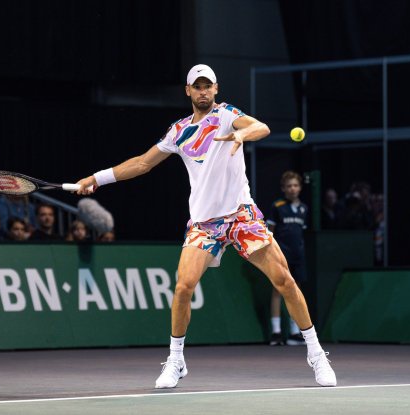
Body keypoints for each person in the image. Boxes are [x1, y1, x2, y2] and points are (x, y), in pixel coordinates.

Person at [75, 64, 336, 388]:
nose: (203, 91)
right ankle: (176, 360)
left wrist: (241, 134)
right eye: (197, 86)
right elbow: (142, 163)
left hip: (241, 216)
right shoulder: (179, 131)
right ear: (188, 91)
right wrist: (96, 179)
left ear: (216, 88)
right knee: (183, 287)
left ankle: (316, 354)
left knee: (284, 279)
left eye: (207, 86)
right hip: (204, 224)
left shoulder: (227, 115)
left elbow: (261, 127)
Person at [266, 171, 308, 347]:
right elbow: (270, 233)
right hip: (281, 256)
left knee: (295, 292)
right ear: (283, 188)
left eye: (295, 185)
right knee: (278, 291)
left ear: (300, 188)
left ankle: (294, 332)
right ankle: (276, 333)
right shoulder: (277, 206)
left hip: (298, 256)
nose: (292, 189)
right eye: (289, 186)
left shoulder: (304, 209)